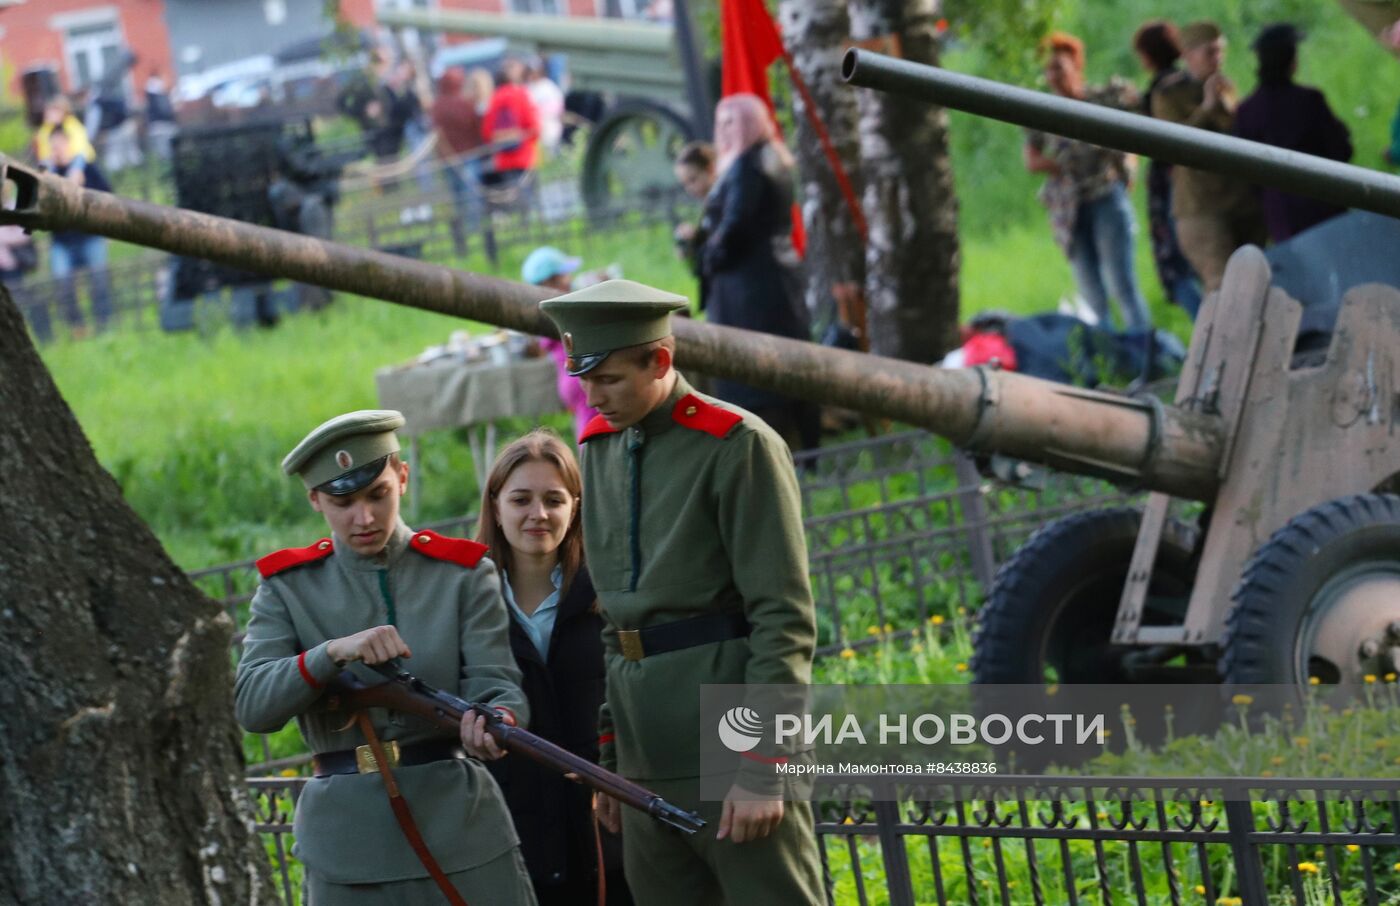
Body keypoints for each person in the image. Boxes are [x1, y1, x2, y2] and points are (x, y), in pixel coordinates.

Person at [539, 279, 826, 906]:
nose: (593, 397)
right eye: (583, 379)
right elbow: (614, 624)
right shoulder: (601, 451)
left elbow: (784, 619)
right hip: (646, 755)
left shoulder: (738, 446)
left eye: (609, 379)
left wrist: (764, 765)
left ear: (661, 360)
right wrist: (612, 760)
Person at [235, 410, 538, 905]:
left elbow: (497, 684)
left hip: (460, 832)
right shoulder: (286, 590)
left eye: (377, 494)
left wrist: (495, 719)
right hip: (346, 847)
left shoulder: (461, 574)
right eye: (343, 501)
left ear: (402, 476)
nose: (365, 517)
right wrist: (332, 653)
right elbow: (253, 706)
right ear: (315, 500)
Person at [476, 429, 632, 906]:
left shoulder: (611, 594)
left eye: (554, 499)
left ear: (576, 507)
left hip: (608, 819)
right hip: (512, 826)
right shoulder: (470, 604)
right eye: (521, 499)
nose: (538, 514)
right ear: (496, 507)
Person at [702, 93, 818, 450]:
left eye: (730, 122)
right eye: (720, 122)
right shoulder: (768, 158)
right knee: (787, 367)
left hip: (751, 288)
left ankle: (777, 450)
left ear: (750, 124)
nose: (722, 131)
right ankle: (802, 447)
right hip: (770, 278)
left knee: (760, 370)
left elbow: (737, 224)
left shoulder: (748, 166)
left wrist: (710, 254)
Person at [1024, 32, 1151, 332]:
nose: (1055, 75)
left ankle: (1145, 352)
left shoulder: (1101, 100)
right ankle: (1108, 357)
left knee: (1123, 284)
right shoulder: (1042, 111)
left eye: (1060, 67)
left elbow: (1135, 126)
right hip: (1071, 207)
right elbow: (1031, 159)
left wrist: (1125, 164)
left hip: (1106, 195)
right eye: (1049, 69)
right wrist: (1064, 167)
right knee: (1091, 292)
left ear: (1076, 67)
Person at [1150, 21, 1267, 293]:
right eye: (1209, 53)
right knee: (1223, 287)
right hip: (1200, 207)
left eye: (1220, 52)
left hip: (1242, 201)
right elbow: (1174, 144)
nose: (1217, 59)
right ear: (1188, 56)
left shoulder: (1224, 87)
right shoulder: (1169, 94)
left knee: (1256, 284)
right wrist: (1206, 108)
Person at [1234, 23, 1354, 242]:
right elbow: (1341, 149)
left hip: (1280, 214)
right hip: (1323, 201)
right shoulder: (1309, 100)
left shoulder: (1247, 111)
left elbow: (1247, 174)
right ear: (1292, 62)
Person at [1132, 20, 1204, 318]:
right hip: (1201, 182)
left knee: (1179, 266)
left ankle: (1210, 327)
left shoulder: (1161, 92)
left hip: (1173, 183)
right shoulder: (1192, 83)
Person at [41, 128, 113, 337]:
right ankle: (77, 327)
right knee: (63, 285)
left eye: (60, 145)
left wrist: (83, 187)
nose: (57, 150)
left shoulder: (86, 168)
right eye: (53, 146)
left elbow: (107, 197)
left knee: (99, 281)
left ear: (68, 144)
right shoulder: (48, 174)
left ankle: (104, 325)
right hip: (62, 240)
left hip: (90, 236)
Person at [523, 247, 600, 439]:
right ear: (550, 282)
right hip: (582, 380)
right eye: (564, 275)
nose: (570, 279)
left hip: (570, 381)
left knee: (586, 429)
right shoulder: (563, 309)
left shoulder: (546, 312)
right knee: (594, 435)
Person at [430, 67, 486, 232]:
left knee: (459, 196)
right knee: (469, 194)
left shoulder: (438, 106)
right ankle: (475, 227)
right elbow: (477, 127)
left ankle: (468, 228)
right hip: (467, 156)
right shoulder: (464, 104)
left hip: (449, 159)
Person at [481, 56, 541, 203]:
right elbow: (534, 127)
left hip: (504, 159)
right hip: (525, 156)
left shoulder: (494, 98)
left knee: (514, 200)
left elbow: (487, 132)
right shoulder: (521, 94)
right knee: (530, 200)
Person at [671, 141, 717, 308]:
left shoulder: (720, 204)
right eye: (685, 184)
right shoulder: (708, 205)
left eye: (693, 179)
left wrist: (696, 240)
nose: (690, 188)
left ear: (710, 169)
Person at [525, 57, 566, 154]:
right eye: (530, 71)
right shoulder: (528, 86)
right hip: (532, 133)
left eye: (535, 71)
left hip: (548, 131)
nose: (532, 73)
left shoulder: (549, 88)